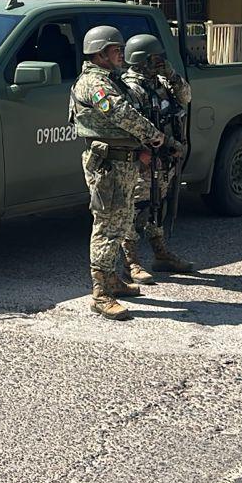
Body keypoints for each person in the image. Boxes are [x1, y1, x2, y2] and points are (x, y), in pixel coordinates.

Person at [70, 24, 167, 321]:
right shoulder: (94, 83)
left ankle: (112, 279)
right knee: (107, 226)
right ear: (100, 53)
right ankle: (100, 294)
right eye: (116, 50)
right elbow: (120, 113)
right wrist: (153, 135)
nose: (121, 54)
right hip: (107, 166)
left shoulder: (110, 79)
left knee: (122, 222)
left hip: (122, 162)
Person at [120, 33, 196, 283]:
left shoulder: (162, 82)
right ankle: (131, 263)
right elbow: (129, 126)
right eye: (155, 58)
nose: (160, 61)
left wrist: (172, 75)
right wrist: (141, 153)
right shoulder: (130, 88)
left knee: (157, 204)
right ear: (142, 60)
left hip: (164, 157)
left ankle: (161, 254)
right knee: (135, 208)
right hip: (143, 159)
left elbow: (186, 97)